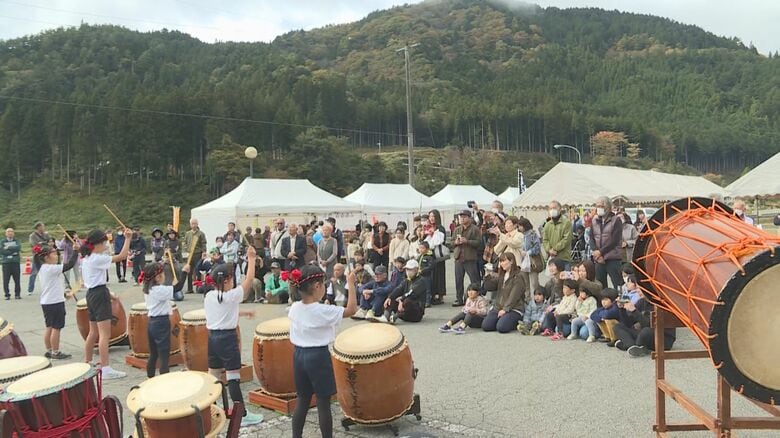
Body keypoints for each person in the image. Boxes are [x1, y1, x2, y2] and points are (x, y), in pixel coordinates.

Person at [289, 264, 357, 438]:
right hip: (317, 357)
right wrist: (351, 284)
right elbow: (351, 310)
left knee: (303, 400)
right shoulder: (322, 310)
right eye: (324, 284)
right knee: (323, 402)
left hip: (298, 355)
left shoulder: (295, 307)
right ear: (317, 287)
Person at [203, 247, 263, 427]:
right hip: (227, 339)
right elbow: (249, 279)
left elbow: (222, 314)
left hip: (212, 338)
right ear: (228, 280)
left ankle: (210, 409)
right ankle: (241, 415)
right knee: (232, 377)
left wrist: (243, 313)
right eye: (232, 278)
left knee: (213, 375)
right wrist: (251, 259)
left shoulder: (210, 296)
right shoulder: (232, 295)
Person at [82, 229, 132, 379]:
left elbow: (94, 281)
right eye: (104, 241)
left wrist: (110, 294)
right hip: (99, 294)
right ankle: (106, 368)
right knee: (104, 334)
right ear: (98, 243)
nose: (106, 244)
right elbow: (122, 256)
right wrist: (128, 239)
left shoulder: (87, 258)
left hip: (91, 294)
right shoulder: (98, 258)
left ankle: (88, 362)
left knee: (93, 332)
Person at [141, 261, 189, 377]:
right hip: (161, 323)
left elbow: (171, 288)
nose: (164, 276)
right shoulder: (159, 290)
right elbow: (178, 287)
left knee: (153, 354)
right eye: (162, 274)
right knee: (164, 355)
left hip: (152, 323)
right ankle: (164, 381)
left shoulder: (149, 289)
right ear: (157, 277)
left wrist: (172, 285)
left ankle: (150, 379)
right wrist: (184, 272)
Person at [34, 239, 79, 359]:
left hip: (47, 301)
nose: (56, 255)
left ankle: (49, 350)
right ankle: (55, 351)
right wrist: (75, 251)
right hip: (54, 302)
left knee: (49, 326)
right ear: (46, 257)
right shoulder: (51, 268)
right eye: (53, 253)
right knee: (57, 327)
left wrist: (64, 295)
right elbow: (69, 265)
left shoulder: (43, 268)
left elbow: (53, 286)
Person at [613, 288, 676, 356]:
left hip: (663, 338)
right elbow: (628, 323)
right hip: (646, 334)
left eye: (640, 289)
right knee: (618, 326)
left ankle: (630, 343)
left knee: (646, 331)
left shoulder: (660, 304)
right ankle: (632, 346)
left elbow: (650, 324)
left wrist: (634, 311)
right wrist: (622, 309)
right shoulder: (641, 301)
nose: (637, 291)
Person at [482, 252, 526, 333]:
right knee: (486, 326)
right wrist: (487, 276)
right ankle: (502, 319)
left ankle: (516, 321)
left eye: (504, 261)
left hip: (514, 308)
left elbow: (514, 296)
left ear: (511, 261)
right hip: (498, 307)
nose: (502, 263)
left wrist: (505, 309)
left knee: (501, 327)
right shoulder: (502, 275)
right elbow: (489, 287)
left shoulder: (518, 276)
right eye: (501, 261)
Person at [589, 196, 625, 289]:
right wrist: (596, 252)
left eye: (601, 206)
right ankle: (602, 302)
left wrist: (601, 252)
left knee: (618, 284)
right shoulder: (594, 220)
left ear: (608, 207)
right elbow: (591, 237)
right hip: (598, 259)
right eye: (597, 206)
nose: (599, 208)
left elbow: (614, 240)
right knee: (600, 286)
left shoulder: (616, 220)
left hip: (612, 258)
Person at [452, 210, 482, 307]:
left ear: (469, 218)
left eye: (464, 217)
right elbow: (451, 243)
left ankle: (476, 297)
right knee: (458, 279)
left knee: (474, 279)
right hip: (458, 257)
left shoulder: (475, 229)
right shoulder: (457, 229)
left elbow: (479, 243)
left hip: (470, 257)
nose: (462, 219)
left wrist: (467, 241)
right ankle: (459, 298)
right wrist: (455, 242)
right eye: (461, 217)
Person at [425, 210, 448, 304]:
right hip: (430, 255)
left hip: (438, 255)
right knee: (432, 275)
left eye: (433, 216)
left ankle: (441, 295)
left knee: (440, 274)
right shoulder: (428, 227)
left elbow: (438, 241)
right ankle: (433, 294)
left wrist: (433, 234)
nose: (431, 218)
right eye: (430, 216)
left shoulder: (440, 228)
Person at [542, 201, 573, 270]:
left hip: (564, 258)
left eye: (554, 208)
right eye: (550, 208)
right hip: (552, 259)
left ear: (560, 209)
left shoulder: (566, 223)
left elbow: (566, 239)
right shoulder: (547, 225)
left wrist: (555, 249)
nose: (552, 210)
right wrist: (549, 249)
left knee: (566, 279)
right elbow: (545, 240)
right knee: (553, 280)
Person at [27, 222, 50, 295]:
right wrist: (43, 244)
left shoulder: (46, 234)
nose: (44, 228)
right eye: (42, 226)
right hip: (37, 256)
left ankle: (47, 288)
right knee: (34, 273)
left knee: (47, 272)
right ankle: (30, 290)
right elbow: (34, 245)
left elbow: (49, 242)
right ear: (38, 227)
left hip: (46, 255)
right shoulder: (32, 236)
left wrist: (42, 244)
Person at [1, 228, 22, 300]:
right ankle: (7, 294)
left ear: (14, 233)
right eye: (8, 232)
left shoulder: (17, 241)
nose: (10, 233)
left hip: (15, 262)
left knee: (17, 279)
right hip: (6, 263)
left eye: (11, 232)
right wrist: (13, 252)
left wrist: (9, 247)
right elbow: (2, 251)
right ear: (6, 234)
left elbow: (18, 248)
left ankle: (17, 294)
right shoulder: (2, 241)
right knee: (6, 280)